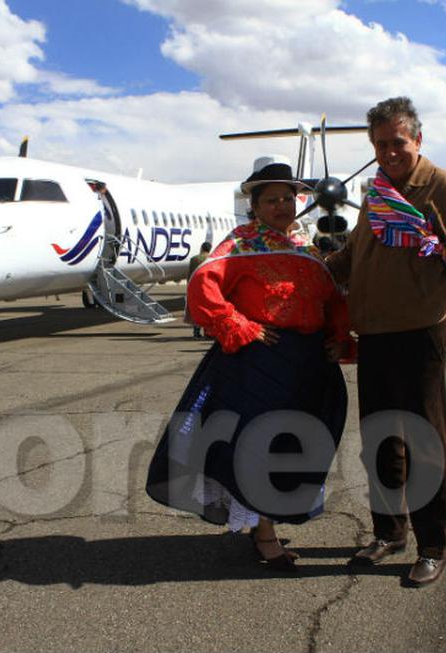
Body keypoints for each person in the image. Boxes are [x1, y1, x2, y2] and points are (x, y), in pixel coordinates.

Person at [146, 162, 352, 570]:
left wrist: (337, 340)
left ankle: (268, 520)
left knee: (292, 448)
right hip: (259, 364)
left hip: (307, 366)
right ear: (254, 206)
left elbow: (331, 301)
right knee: (261, 449)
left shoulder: (304, 246)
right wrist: (238, 325)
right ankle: (265, 533)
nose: (281, 206)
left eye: (287, 198)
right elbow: (202, 286)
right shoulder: (240, 244)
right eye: (271, 200)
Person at [326, 97, 446, 585]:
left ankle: (433, 545)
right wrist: (309, 266)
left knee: (425, 442)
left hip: (419, 330)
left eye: (397, 142)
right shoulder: (378, 193)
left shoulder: (442, 188)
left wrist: (436, 293)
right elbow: (354, 255)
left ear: (417, 140)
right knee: (381, 438)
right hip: (374, 331)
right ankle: (389, 532)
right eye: (379, 144)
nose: (388, 152)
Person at [187, 241, 212, 338]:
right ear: (209, 249)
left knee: (197, 310)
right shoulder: (211, 259)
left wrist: (189, 286)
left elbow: (190, 274)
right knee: (208, 310)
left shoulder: (194, 259)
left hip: (196, 287)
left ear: (201, 248)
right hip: (208, 288)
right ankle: (208, 332)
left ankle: (196, 332)